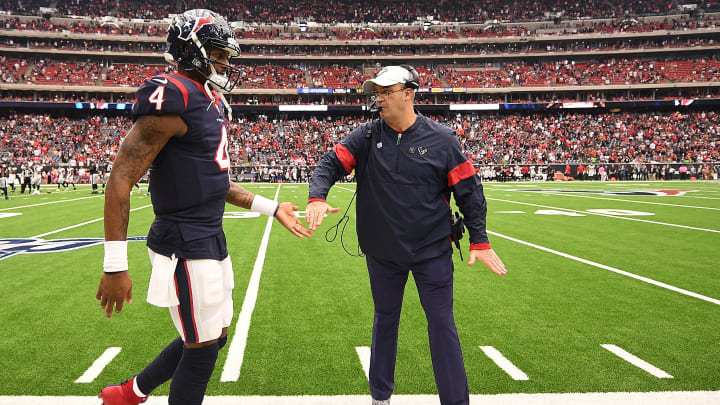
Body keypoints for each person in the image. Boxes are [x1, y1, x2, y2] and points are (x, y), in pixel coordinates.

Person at [95, 9, 312, 405]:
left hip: (209, 237)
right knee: (202, 349)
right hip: (183, 240)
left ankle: (132, 392)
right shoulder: (173, 95)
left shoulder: (209, 99)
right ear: (190, 50)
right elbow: (121, 179)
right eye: (217, 52)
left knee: (215, 337)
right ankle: (131, 393)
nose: (225, 62)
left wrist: (271, 206)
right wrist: (114, 264)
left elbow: (214, 180)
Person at [306, 65, 507, 405]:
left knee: (442, 325)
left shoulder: (442, 140)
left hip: (432, 252)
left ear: (409, 94)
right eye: (377, 93)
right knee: (385, 321)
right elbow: (330, 162)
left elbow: (469, 192)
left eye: (386, 92)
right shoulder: (367, 136)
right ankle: (380, 397)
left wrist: (480, 240)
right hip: (382, 253)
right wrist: (317, 196)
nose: (379, 98)